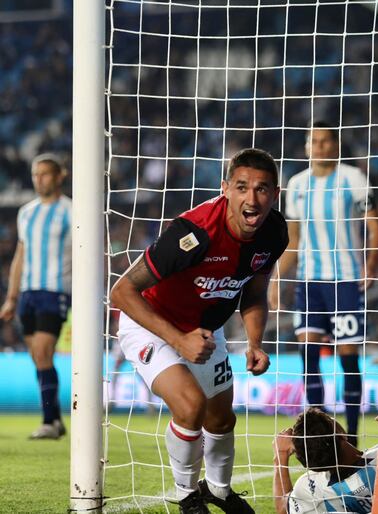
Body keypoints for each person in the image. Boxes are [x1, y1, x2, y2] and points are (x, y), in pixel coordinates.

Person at [110, 148, 288, 514]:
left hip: (205, 329)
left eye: (262, 189)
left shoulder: (274, 233)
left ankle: (219, 491)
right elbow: (122, 291)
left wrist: (255, 342)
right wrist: (178, 340)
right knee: (191, 407)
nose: (251, 199)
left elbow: (254, 292)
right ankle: (186, 494)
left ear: (275, 194)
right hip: (150, 324)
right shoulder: (194, 232)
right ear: (225, 189)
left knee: (221, 418)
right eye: (242, 187)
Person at [269, 121, 378, 446]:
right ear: (307, 147)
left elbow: (375, 227)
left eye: (324, 141)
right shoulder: (296, 184)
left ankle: (351, 437)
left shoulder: (352, 179)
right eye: (313, 141)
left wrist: (371, 265)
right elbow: (293, 240)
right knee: (308, 354)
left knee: (348, 357)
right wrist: (277, 279)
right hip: (309, 282)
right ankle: (317, 435)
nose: (318, 146)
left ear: (334, 145)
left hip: (345, 279)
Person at [0, 154, 71, 440]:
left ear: (59, 176)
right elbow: (20, 254)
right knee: (38, 357)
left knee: (43, 352)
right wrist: (12, 297)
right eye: (35, 174)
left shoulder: (72, 211)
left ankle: (50, 421)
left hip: (55, 291)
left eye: (45, 174)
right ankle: (55, 420)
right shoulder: (27, 212)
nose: (39, 179)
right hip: (28, 293)